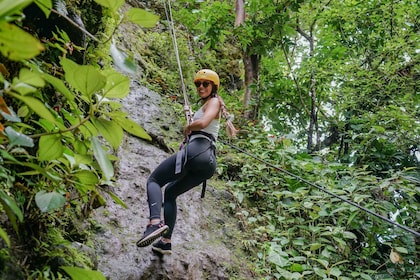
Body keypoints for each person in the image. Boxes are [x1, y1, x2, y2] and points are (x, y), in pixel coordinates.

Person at [136, 69, 222, 255]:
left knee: (154, 181)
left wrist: (189, 126)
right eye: (198, 84)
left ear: (213, 87)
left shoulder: (215, 101)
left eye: (205, 84)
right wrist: (192, 121)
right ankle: (166, 242)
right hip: (206, 164)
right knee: (171, 191)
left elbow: (203, 123)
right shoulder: (206, 105)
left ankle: (154, 223)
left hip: (198, 150)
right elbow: (202, 121)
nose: (201, 87)